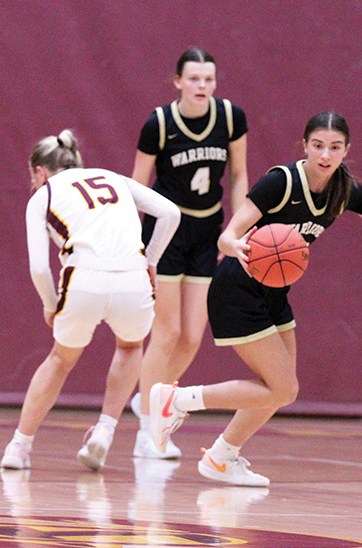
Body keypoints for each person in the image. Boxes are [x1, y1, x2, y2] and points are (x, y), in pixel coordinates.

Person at [150, 111, 362, 486]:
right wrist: (232, 243)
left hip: (274, 291)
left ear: (346, 150)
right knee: (283, 389)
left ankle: (222, 456)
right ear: (305, 146)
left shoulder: (345, 190)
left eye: (335, 147)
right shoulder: (281, 182)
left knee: (278, 389)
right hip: (237, 287)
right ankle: (177, 400)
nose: (325, 155)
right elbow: (230, 234)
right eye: (318, 146)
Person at [0, 130, 180, 472]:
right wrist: (151, 260)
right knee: (129, 347)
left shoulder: (43, 195)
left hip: (83, 277)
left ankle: (19, 447)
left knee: (59, 361)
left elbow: (39, 266)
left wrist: (50, 303)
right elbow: (170, 213)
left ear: (39, 172)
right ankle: (105, 431)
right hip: (134, 277)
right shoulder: (115, 178)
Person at [129, 48, 249, 460]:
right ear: (177, 81)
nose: (202, 86)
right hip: (166, 231)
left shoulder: (231, 118)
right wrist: (136, 242)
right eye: (194, 79)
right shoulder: (158, 124)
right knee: (165, 331)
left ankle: (150, 394)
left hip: (206, 229)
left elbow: (238, 174)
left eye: (209, 79)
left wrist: (237, 227)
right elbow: (137, 185)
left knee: (192, 335)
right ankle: (148, 428)